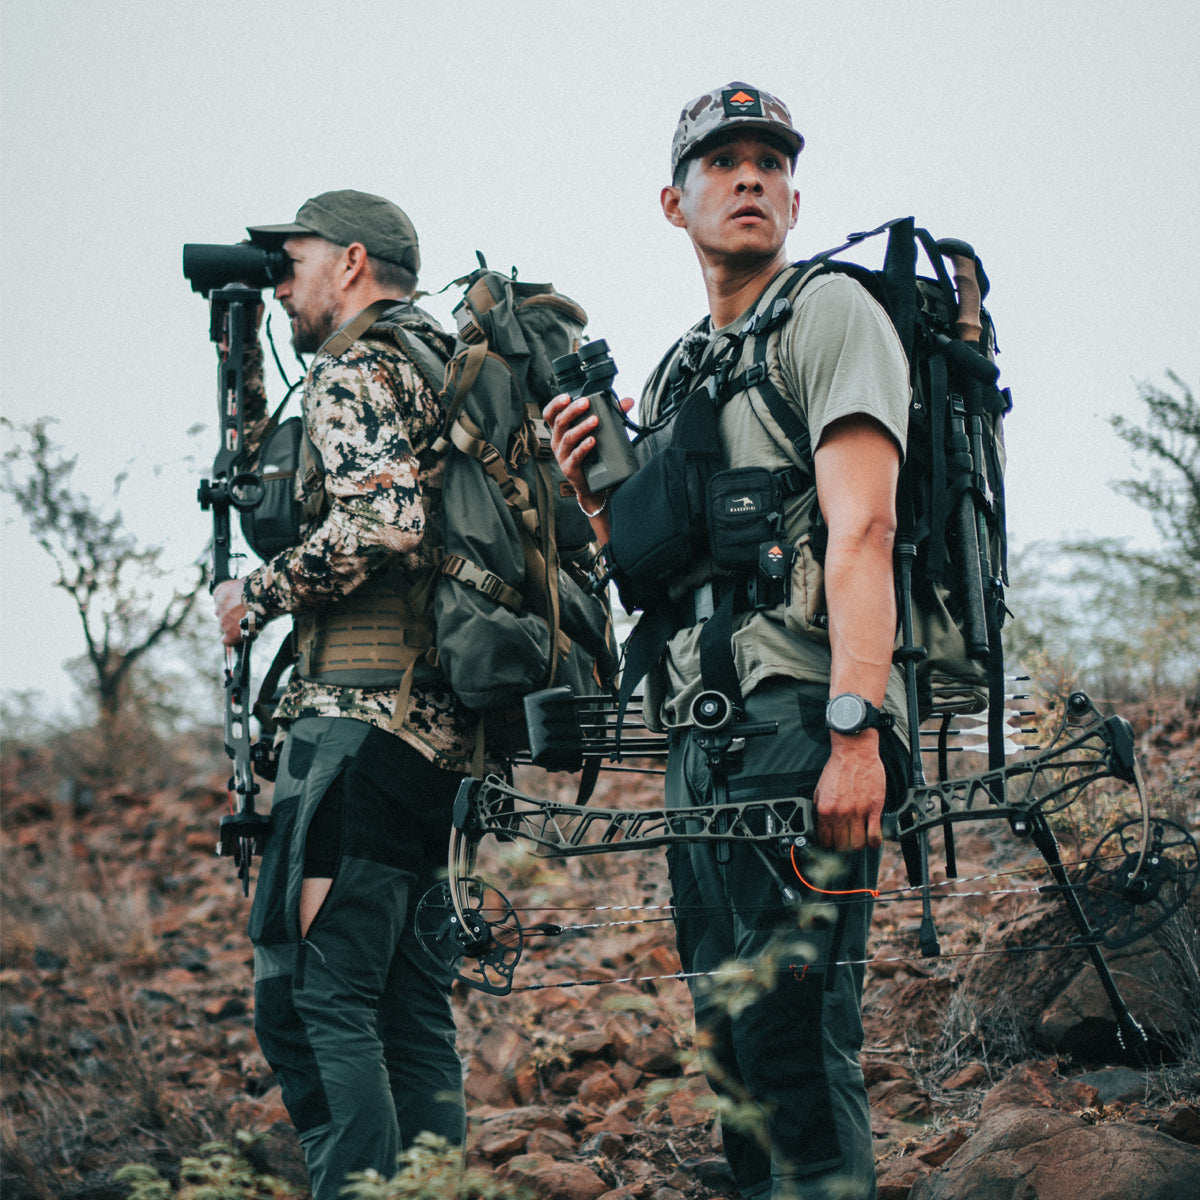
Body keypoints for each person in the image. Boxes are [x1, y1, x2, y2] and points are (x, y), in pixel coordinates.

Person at [544, 85, 911, 1199]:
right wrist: (598, 496)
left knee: (797, 1050)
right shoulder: (676, 372)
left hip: (802, 724)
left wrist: (858, 730)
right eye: (722, 162)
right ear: (675, 201)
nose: (749, 177)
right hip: (702, 747)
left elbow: (865, 528)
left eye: (768, 162)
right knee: (731, 1050)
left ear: (794, 196)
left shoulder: (832, 314)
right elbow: (658, 581)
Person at [211, 190, 476, 1200]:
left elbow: (385, 525)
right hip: (438, 738)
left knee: (314, 1006)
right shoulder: (438, 365)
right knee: (407, 1012)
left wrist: (258, 595)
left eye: (295, 261)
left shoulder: (354, 369)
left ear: (354, 264)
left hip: (360, 730)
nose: (283, 283)